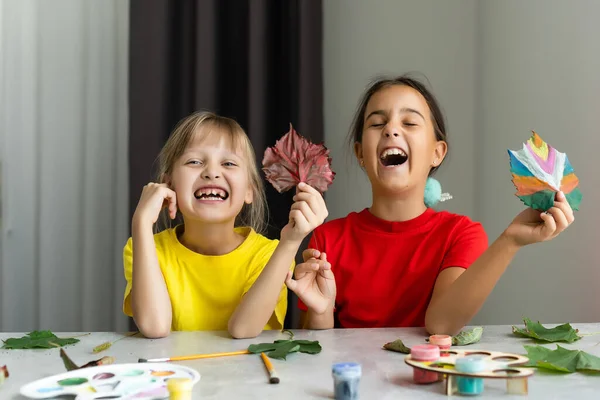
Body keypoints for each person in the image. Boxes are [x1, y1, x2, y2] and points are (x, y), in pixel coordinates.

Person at [285, 75, 574, 335]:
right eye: (377, 123)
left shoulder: (461, 234)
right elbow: (315, 351)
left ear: (437, 153)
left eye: (409, 122)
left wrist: (510, 241)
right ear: (360, 153)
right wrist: (321, 313)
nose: (391, 130)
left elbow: (441, 324)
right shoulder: (328, 240)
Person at [123, 111, 328, 339]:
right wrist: (140, 222)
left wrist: (290, 242)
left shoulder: (271, 255)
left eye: (228, 163)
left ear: (249, 190)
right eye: (194, 162)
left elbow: (242, 330)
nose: (211, 172)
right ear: (169, 185)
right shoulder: (144, 249)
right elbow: (155, 327)